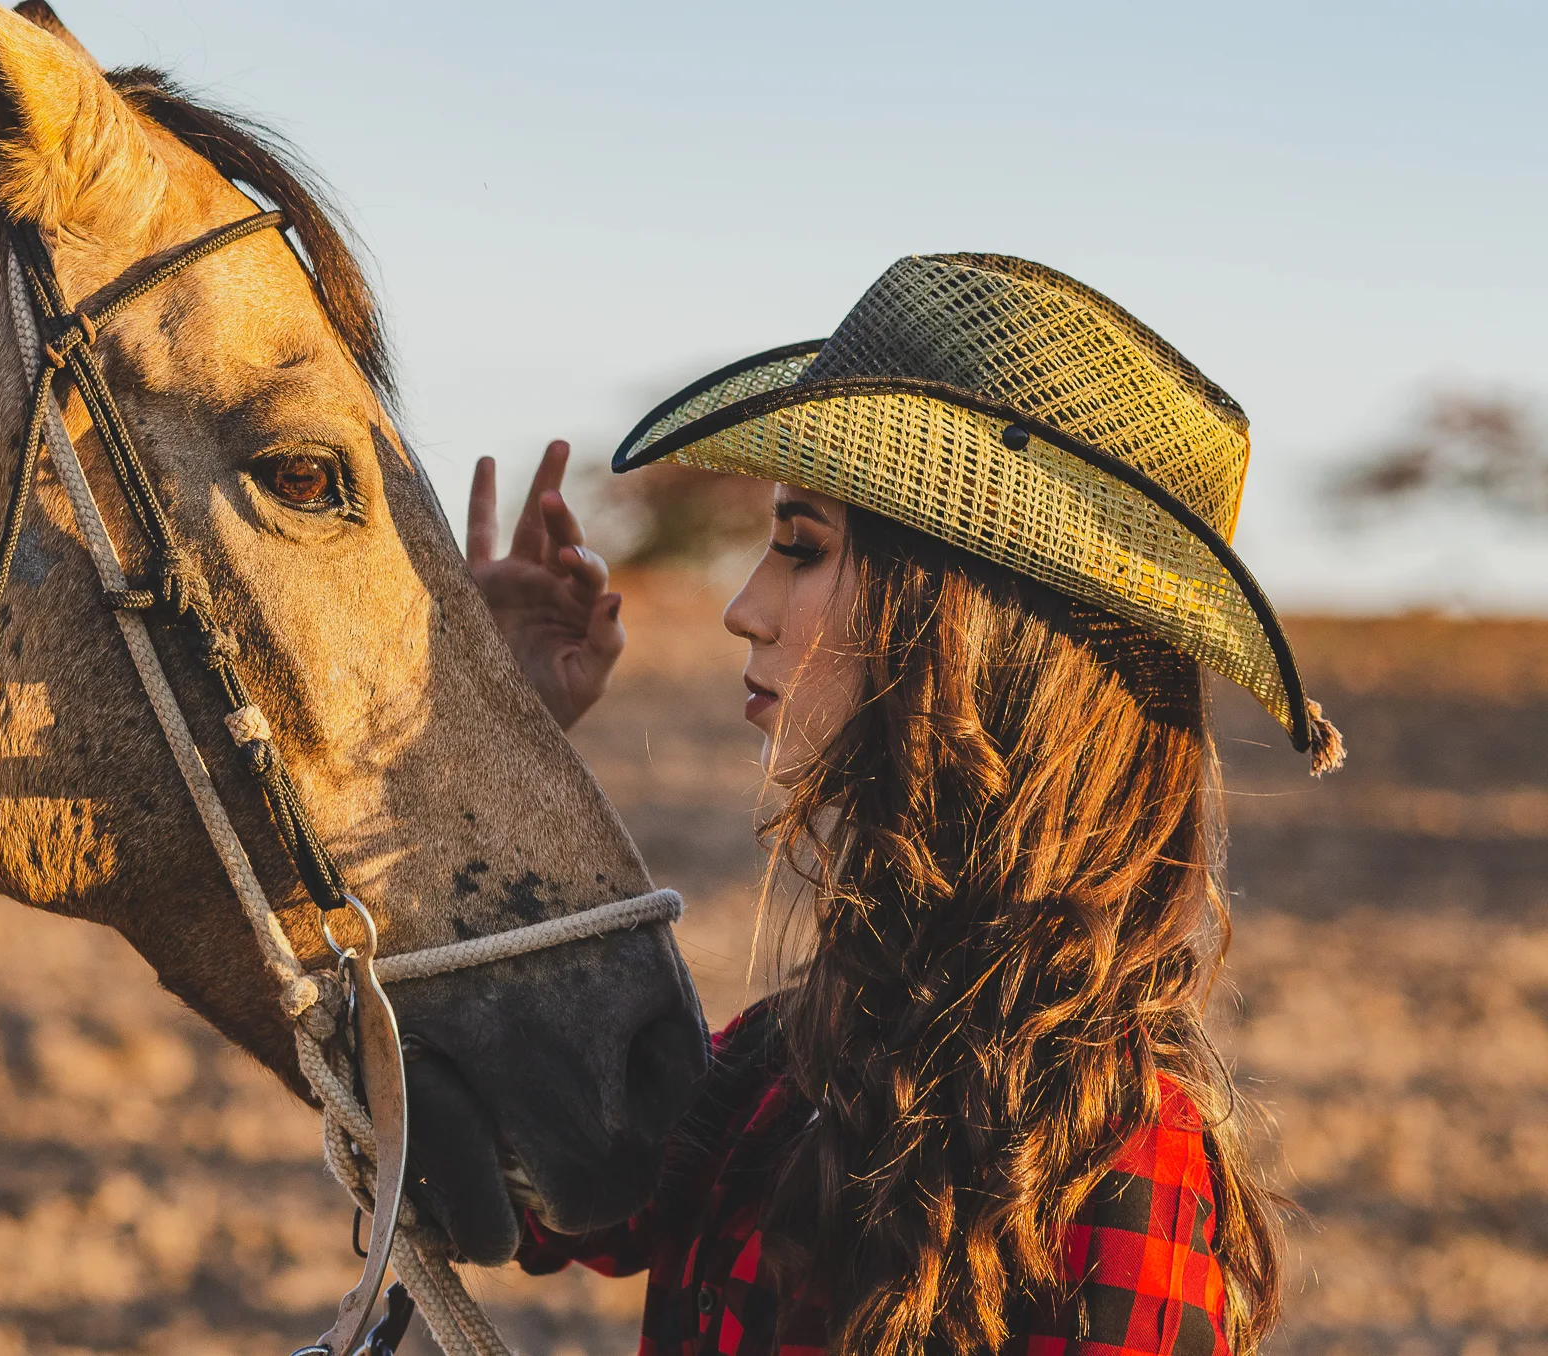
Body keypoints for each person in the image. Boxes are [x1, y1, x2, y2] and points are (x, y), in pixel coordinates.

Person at [467, 253, 1345, 1356]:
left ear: (975, 624)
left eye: (801, 548)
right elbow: (528, 1174)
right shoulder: (782, 1062)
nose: (743, 607)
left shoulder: (1119, 1163)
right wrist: (490, 731)